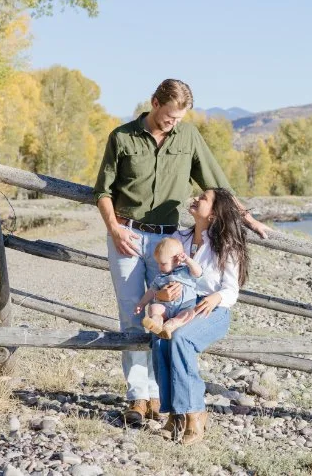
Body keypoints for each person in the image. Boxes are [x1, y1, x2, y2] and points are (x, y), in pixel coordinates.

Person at [93, 79, 270, 426]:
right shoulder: (122, 137)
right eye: (169, 117)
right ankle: (137, 397)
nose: (173, 123)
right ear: (155, 102)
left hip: (170, 244)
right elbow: (103, 190)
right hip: (126, 237)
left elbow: (217, 186)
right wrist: (114, 229)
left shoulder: (188, 137)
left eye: (179, 118)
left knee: (169, 311)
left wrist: (248, 219)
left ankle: (161, 397)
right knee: (133, 314)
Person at [153, 187, 248, 445]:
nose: (195, 199)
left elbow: (231, 289)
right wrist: (164, 293)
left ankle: (194, 413)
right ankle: (174, 413)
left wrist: (216, 297)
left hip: (213, 309)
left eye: (203, 199)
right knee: (161, 339)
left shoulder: (225, 244)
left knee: (180, 339)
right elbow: (165, 273)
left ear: (214, 214)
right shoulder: (179, 238)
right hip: (181, 306)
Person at [135, 238, 203, 340]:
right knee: (154, 308)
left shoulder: (186, 271)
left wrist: (188, 260)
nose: (159, 267)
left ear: (176, 260)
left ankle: (171, 325)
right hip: (166, 309)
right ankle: (156, 321)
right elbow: (151, 291)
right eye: (158, 263)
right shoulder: (160, 277)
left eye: (162, 264)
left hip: (184, 307)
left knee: (189, 313)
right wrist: (142, 303)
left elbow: (198, 272)